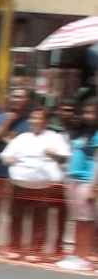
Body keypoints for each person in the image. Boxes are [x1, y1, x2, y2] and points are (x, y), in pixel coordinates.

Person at [1, 106, 70, 260]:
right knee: (16, 217)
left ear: (46, 121)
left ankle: (35, 250)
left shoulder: (55, 137)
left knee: (40, 219)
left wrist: (54, 155)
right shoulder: (22, 137)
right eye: (33, 117)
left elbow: (65, 158)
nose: (35, 121)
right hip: (19, 184)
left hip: (43, 186)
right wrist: (8, 159)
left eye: (39, 118)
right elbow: (5, 155)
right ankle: (14, 247)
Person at [58, 97, 96, 270]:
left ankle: (84, 256)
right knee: (78, 219)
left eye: (92, 113)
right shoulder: (81, 131)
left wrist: (93, 186)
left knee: (86, 220)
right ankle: (76, 253)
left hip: (86, 180)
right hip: (73, 179)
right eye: (86, 112)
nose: (88, 116)